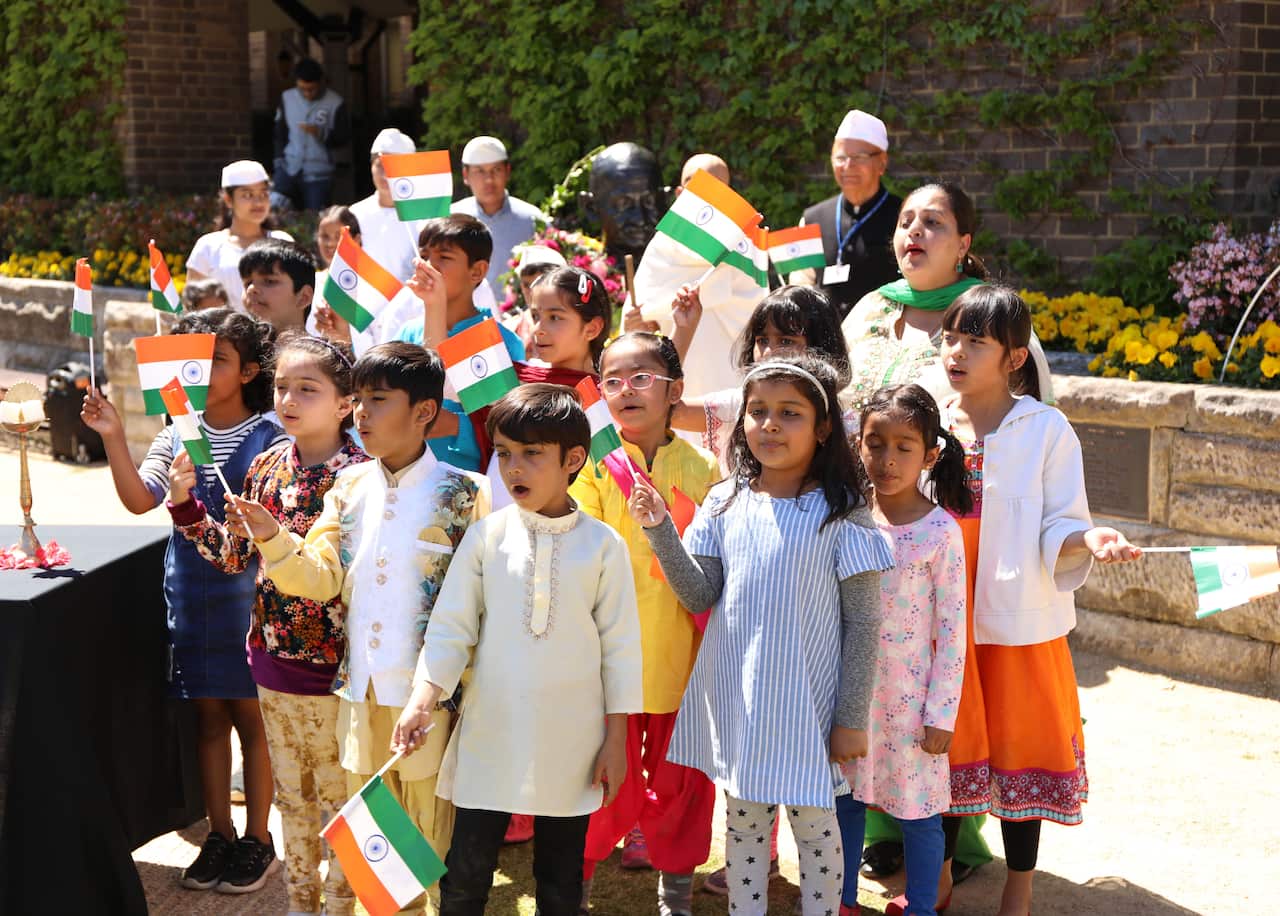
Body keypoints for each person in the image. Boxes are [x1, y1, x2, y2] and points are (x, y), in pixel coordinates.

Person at [630, 354, 894, 916]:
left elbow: (865, 621)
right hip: (741, 706)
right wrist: (659, 531)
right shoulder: (724, 501)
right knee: (744, 831)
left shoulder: (843, 513)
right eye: (757, 411)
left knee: (818, 834)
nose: (769, 424)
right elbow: (700, 594)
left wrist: (850, 718)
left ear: (824, 428)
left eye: (790, 413)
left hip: (811, 711)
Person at [241, 341, 490, 915]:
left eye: (379, 401)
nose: (362, 415)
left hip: (434, 704)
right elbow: (320, 577)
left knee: (430, 848)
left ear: (424, 411)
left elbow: (480, 609)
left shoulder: (467, 494)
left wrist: (445, 693)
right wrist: (272, 537)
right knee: (375, 852)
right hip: (359, 697)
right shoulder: (349, 488)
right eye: (359, 401)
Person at [392, 384, 643, 916]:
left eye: (532, 453)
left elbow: (620, 649)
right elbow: (450, 629)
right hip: (491, 734)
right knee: (465, 875)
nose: (514, 468)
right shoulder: (486, 537)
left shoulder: (603, 546)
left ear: (573, 458)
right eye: (504, 453)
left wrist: (616, 738)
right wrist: (422, 699)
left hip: (572, 741)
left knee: (559, 881)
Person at [936, 285, 1141, 916]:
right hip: (943, 620)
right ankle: (937, 877)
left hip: (1018, 623)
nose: (957, 353)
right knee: (946, 752)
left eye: (976, 341)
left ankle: (1018, 890)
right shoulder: (930, 421)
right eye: (951, 338)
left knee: (1023, 754)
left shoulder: (1047, 429)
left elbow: (1061, 520)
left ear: (1015, 357)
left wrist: (1090, 536)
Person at [80, 309, 286, 894]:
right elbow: (138, 501)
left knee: (252, 717)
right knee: (207, 715)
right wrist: (114, 435)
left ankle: (258, 839)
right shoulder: (175, 430)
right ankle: (218, 834)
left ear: (248, 370)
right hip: (190, 599)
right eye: (192, 358)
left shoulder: (271, 436)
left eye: (217, 359)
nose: (201, 370)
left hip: (250, 602)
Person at [173, 332, 367, 916]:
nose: (289, 398)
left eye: (308, 388)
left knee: (341, 802)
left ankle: (340, 904)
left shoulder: (360, 475)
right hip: (270, 662)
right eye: (282, 386)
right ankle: (300, 904)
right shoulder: (263, 465)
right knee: (293, 803)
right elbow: (234, 555)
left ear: (345, 403)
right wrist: (186, 506)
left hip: (338, 670)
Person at [571, 334, 720, 916]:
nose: (625, 390)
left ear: (674, 390)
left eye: (642, 377)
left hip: (680, 662)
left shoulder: (704, 467)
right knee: (594, 781)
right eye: (612, 379)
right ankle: (576, 889)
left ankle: (675, 898)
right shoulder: (589, 466)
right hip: (606, 664)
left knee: (682, 786)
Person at [838, 384, 969, 916]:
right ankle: (839, 900)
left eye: (904, 447)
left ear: (930, 455)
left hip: (912, 704)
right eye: (875, 443)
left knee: (920, 814)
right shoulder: (846, 517)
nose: (887, 459)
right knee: (844, 800)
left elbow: (955, 631)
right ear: (858, 445)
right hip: (849, 698)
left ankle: (919, 906)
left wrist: (942, 713)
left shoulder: (941, 532)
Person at [841, 181, 1054, 418]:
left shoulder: (993, 315)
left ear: (963, 244)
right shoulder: (870, 307)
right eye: (905, 223)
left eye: (932, 222)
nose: (914, 230)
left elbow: (1029, 421)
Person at [671, 285, 851, 473]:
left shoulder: (848, 423)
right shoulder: (739, 405)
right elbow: (665, 411)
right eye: (762, 340)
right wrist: (684, 330)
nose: (768, 353)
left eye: (786, 341)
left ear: (825, 427)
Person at [395, 215, 526, 471]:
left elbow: (508, 425)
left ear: (477, 271)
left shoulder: (499, 341)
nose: (429, 266)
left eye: (444, 257)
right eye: (424, 256)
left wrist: (456, 426)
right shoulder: (407, 334)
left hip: (469, 483)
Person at [632, 153, 767, 400]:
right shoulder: (660, 247)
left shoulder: (742, 249)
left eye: (717, 189)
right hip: (668, 383)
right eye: (698, 186)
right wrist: (634, 326)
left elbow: (756, 317)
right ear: (679, 193)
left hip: (726, 380)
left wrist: (711, 292)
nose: (706, 196)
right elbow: (639, 318)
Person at [794, 110, 901, 320]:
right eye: (840, 157)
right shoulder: (811, 218)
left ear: (882, 163)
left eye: (859, 157)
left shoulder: (905, 217)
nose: (848, 166)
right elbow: (799, 282)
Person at [187, 160, 295, 309]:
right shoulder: (207, 247)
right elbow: (192, 307)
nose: (258, 202)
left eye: (263, 193)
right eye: (248, 195)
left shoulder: (282, 242)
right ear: (228, 200)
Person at [451, 135, 546, 301]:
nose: (489, 180)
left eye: (496, 170)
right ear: (466, 175)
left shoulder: (532, 219)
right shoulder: (451, 220)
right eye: (480, 171)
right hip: (467, 320)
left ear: (507, 171)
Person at [271, 57, 349, 212]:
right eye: (302, 89)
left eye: (311, 89)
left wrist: (321, 134)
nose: (307, 93)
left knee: (314, 218)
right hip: (289, 166)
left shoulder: (336, 102)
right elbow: (280, 133)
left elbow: (344, 137)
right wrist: (278, 161)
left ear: (321, 83)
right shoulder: (287, 98)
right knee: (276, 213)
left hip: (319, 172)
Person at [350, 129, 422, 283]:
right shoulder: (355, 214)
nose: (385, 175)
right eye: (380, 166)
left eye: (393, 166)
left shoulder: (426, 216)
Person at [586, 142, 664, 263]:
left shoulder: (690, 268)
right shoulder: (577, 276)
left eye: (649, 201)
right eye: (624, 204)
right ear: (591, 208)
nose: (640, 219)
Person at [239, 238, 315, 332]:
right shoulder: (229, 346)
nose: (251, 289)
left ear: (304, 297)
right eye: (247, 283)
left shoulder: (320, 347)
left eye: (269, 281)